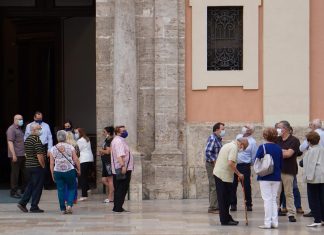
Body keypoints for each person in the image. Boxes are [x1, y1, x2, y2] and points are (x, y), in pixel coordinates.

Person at [213, 137, 248, 225]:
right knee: (224, 199)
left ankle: (227, 217)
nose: (241, 149)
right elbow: (230, 163)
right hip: (222, 176)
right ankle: (224, 220)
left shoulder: (229, 145)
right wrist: (239, 174)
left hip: (222, 175)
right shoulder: (234, 148)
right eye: (242, 148)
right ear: (241, 144)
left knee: (226, 198)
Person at [255, 128, 283, 229]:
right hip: (276, 177)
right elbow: (281, 163)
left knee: (267, 199)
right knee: (274, 200)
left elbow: (257, 159)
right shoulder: (279, 148)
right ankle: (275, 222)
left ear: (265, 136)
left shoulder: (262, 147)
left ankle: (267, 223)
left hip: (265, 176)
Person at [49, 130, 81, 214]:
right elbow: (76, 159)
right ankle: (69, 205)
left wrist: (52, 173)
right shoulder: (70, 147)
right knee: (72, 188)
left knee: (60, 190)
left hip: (58, 171)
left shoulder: (53, 148)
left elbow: (51, 163)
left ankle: (62, 208)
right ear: (65, 137)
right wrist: (79, 169)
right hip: (69, 170)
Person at [17, 123, 45, 213]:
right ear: (33, 130)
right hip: (36, 166)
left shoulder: (28, 139)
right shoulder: (36, 140)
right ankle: (34, 206)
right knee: (37, 187)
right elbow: (39, 155)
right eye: (39, 129)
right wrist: (43, 165)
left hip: (28, 165)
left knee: (31, 185)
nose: (41, 130)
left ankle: (22, 203)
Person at [276, 120, 301, 222]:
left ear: (285, 129)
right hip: (277, 170)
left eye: (279, 127)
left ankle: (291, 213)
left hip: (288, 170)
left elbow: (288, 154)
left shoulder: (294, 140)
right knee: (276, 193)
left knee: (288, 192)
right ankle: (276, 210)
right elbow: (274, 152)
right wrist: (283, 151)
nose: (277, 129)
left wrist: (280, 151)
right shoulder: (277, 139)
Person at [299, 119, 324, 218]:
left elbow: (302, 149)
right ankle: (322, 216)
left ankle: (316, 216)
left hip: (314, 175)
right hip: (322, 171)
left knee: (313, 195)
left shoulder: (311, 147)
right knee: (321, 195)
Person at [231, 124, 257, 211]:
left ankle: (248, 204)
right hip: (235, 164)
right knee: (233, 185)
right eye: (245, 126)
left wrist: (250, 164)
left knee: (246, 185)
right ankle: (233, 204)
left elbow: (253, 155)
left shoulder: (252, 142)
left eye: (247, 127)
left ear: (251, 131)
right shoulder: (238, 136)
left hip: (245, 165)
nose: (245, 128)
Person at [24, 111, 53, 189]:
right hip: (33, 146)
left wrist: (49, 149)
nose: (39, 120)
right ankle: (34, 184)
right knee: (34, 165)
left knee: (44, 166)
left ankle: (46, 185)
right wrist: (26, 150)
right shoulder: (29, 126)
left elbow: (50, 138)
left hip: (43, 146)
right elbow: (25, 138)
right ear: (34, 117)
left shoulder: (46, 125)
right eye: (38, 118)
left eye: (41, 118)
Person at [111, 125, 134, 213]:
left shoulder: (118, 140)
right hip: (122, 168)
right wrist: (123, 166)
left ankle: (117, 207)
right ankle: (118, 208)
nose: (125, 132)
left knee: (119, 188)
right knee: (122, 188)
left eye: (125, 130)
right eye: (123, 131)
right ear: (117, 132)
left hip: (120, 168)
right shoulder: (118, 141)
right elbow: (120, 155)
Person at [204, 122, 225, 214]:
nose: (223, 131)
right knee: (214, 185)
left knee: (215, 185)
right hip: (212, 164)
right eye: (222, 129)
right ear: (217, 130)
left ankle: (215, 205)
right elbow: (208, 152)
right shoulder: (213, 138)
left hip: (216, 164)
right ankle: (213, 207)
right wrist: (215, 162)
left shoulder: (218, 139)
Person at [6, 114, 26, 198]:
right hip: (16, 155)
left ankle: (23, 189)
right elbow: (10, 142)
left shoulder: (20, 129)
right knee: (15, 174)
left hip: (22, 154)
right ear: (15, 120)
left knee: (25, 173)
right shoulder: (11, 129)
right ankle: (13, 192)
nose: (21, 120)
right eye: (19, 119)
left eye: (22, 119)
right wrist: (13, 155)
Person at [75, 128, 94, 201]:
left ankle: (84, 195)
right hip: (89, 158)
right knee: (85, 176)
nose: (76, 134)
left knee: (82, 177)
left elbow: (78, 150)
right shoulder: (87, 139)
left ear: (80, 133)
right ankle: (87, 188)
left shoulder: (80, 140)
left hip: (83, 159)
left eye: (77, 133)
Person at [99, 126, 114, 203]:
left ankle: (110, 197)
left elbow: (108, 151)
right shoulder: (106, 140)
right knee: (104, 180)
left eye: (104, 132)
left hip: (108, 162)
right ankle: (113, 190)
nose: (103, 133)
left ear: (108, 132)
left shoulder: (109, 140)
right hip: (105, 161)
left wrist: (101, 150)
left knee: (110, 179)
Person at [65, 131, 80, 203]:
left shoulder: (63, 145)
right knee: (74, 182)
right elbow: (78, 156)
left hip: (64, 165)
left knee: (65, 183)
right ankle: (74, 199)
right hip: (73, 165)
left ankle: (66, 198)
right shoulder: (75, 145)